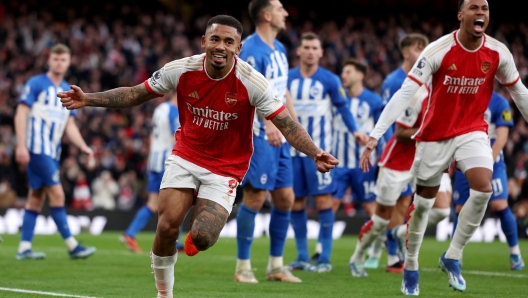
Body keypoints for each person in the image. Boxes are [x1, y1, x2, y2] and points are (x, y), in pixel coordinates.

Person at [59, 15, 339, 298]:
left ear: (238, 48)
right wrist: (88, 99)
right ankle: (164, 294)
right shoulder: (181, 69)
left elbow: (287, 124)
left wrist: (315, 152)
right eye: (215, 39)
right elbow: (135, 94)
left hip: (226, 168)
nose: (221, 46)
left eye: (229, 41)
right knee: (167, 226)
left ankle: (198, 234)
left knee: (203, 238)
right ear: (204, 41)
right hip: (186, 156)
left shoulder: (253, 82)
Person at [360, 0, 528, 294]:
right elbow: (405, 93)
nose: (480, 13)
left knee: (484, 188)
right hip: (435, 135)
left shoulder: (498, 52)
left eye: (485, 8)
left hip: (472, 130)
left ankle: (452, 256)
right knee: (423, 204)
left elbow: (519, 92)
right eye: (474, 7)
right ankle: (410, 266)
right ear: (461, 15)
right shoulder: (438, 50)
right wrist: (375, 134)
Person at [286, 33, 368, 273]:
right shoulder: (287, 79)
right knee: (296, 202)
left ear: (321, 53)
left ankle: (324, 259)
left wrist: (355, 131)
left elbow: (343, 109)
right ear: (299, 51)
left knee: (324, 201)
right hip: (291, 153)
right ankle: (302, 257)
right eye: (306, 47)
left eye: (315, 48)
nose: (310, 51)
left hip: (318, 153)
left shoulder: (330, 80)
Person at [350, 86, 452, 277]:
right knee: (381, 220)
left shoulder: (452, 95)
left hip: (428, 160)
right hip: (397, 162)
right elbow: (400, 133)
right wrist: (429, 129)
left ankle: (399, 233)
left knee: (442, 210)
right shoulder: (418, 96)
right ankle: (357, 257)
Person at [234, 0, 301, 283]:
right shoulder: (251, 50)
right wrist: (268, 122)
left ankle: (275, 266)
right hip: (259, 135)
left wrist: (295, 128)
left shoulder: (281, 50)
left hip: (280, 135)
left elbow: (281, 91)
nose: (285, 12)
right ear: (266, 15)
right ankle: (242, 267)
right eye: (280, 7)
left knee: (286, 198)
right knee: (256, 196)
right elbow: (246, 93)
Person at [14, 43, 96, 260]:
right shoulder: (37, 83)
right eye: (56, 59)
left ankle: (24, 248)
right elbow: (21, 113)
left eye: (63, 59)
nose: (59, 62)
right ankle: (72, 246)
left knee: (36, 198)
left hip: (52, 151)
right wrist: (21, 144)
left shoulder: (67, 90)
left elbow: (70, 125)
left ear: (69, 63)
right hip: (37, 148)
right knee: (57, 194)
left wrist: (84, 146)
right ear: (49, 60)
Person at [452, 91, 524, 270]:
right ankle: (455, 255)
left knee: (500, 204)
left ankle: (515, 253)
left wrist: (487, 162)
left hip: (493, 162)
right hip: (466, 159)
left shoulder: (499, 102)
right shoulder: (465, 97)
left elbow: (502, 137)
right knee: (461, 209)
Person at [380, 33, 429, 272]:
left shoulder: (426, 79)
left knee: (404, 205)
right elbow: (389, 120)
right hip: (395, 152)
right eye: (417, 48)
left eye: (424, 48)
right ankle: (388, 254)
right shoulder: (393, 81)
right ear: (405, 52)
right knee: (390, 206)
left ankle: (394, 251)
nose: (422, 52)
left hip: (416, 152)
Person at [120, 91, 180, 253]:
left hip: (154, 161)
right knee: (176, 201)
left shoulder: (160, 109)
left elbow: (153, 137)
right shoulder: (174, 111)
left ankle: (130, 234)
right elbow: (177, 137)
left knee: (153, 204)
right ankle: (175, 241)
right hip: (167, 162)